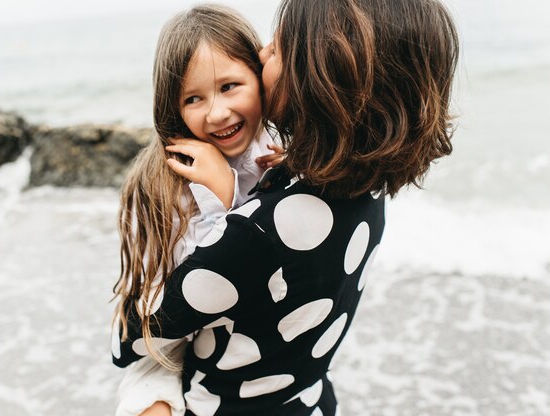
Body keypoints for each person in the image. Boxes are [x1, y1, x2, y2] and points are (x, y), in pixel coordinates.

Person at [113, 0, 459, 414]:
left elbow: (131, 339)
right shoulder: (362, 189)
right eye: (193, 98)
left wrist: (225, 209)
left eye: (277, 50)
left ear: (318, 75)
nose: (262, 54)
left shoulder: (258, 227)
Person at [111, 5, 283, 416]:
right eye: (193, 98)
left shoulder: (277, 150)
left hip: (262, 360)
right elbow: (175, 309)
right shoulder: (165, 190)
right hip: (171, 352)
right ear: (172, 108)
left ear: (260, 79)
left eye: (230, 86)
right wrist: (222, 204)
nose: (217, 113)